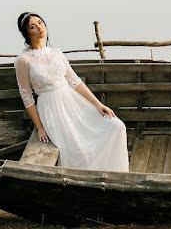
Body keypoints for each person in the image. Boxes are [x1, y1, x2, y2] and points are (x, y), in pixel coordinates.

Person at [14, 11, 129, 172]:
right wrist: (39, 126)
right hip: (50, 107)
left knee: (116, 126)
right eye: (33, 26)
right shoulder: (23, 60)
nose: (39, 27)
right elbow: (26, 96)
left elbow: (75, 81)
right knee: (75, 149)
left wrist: (98, 104)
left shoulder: (57, 53)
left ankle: (113, 174)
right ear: (27, 33)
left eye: (40, 22)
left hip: (72, 101)